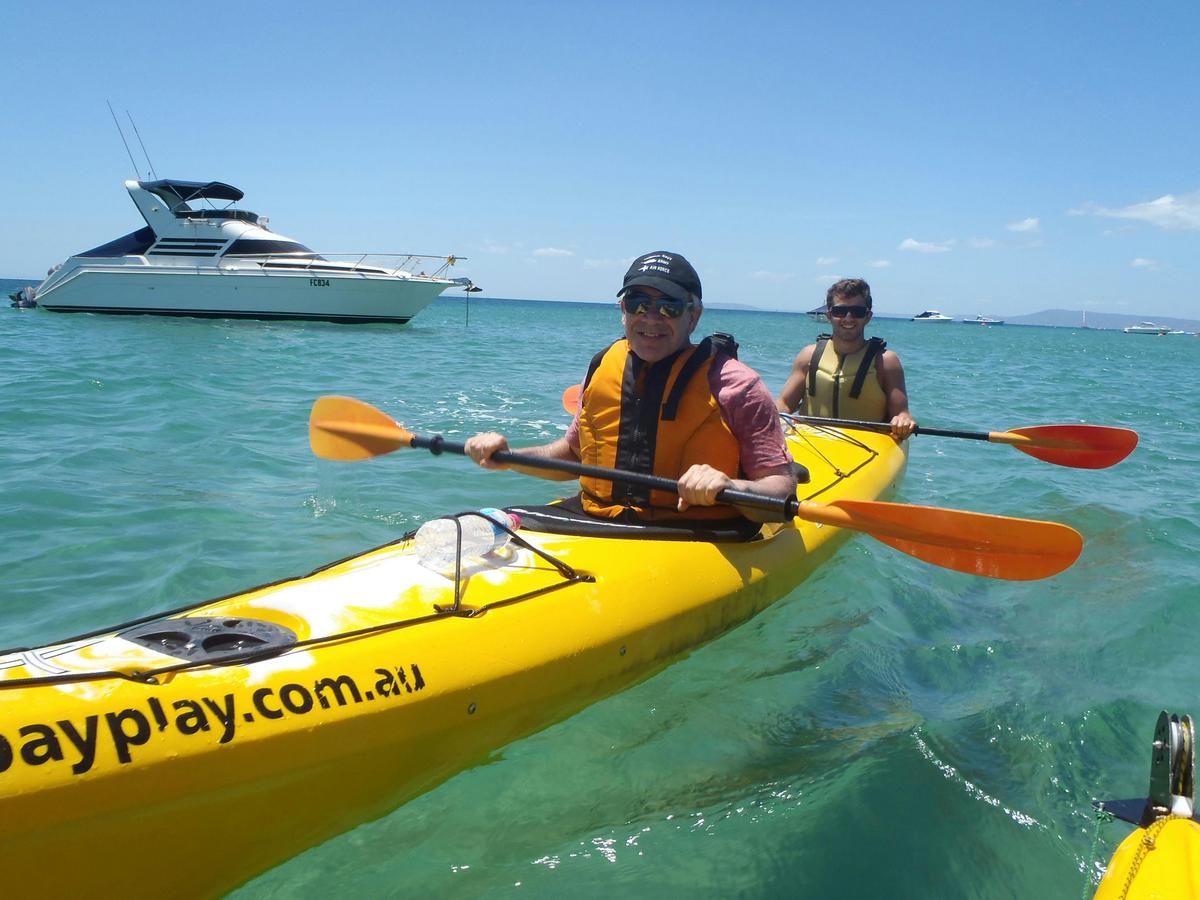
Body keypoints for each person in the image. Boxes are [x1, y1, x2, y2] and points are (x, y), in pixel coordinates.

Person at [464, 251, 796, 524]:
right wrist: (507, 458)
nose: (651, 318)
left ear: (693, 316)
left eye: (669, 307)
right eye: (638, 303)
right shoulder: (602, 365)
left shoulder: (737, 385)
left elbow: (781, 489)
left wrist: (729, 485)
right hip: (595, 517)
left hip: (694, 530)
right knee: (467, 527)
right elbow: (573, 454)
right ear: (623, 311)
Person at [775, 278, 917, 439]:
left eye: (857, 312)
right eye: (840, 312)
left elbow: (901, 413)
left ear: (868, 316)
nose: (848, 318)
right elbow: (784, 404)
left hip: (867, 450)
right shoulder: (808, 355)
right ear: (829, 315)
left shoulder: (886, 361)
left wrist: (903, 420)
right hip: (811, 445)